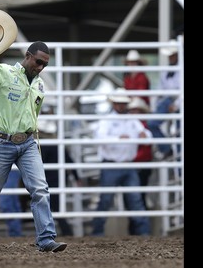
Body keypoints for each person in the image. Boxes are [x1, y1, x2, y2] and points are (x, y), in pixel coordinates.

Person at [0, 41, 67, 253]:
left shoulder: (39, 85)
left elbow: (33, 115)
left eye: (45, 64)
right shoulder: (4, 73)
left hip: (27, 142)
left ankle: (46, 239)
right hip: (1, 142)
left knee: (40, 189)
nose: (41, 67)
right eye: (38, 62)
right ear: (27, 56)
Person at [91, 88, 151, 236]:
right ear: (114, 104)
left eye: (123, 103)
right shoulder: (107, 120)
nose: (121, 106)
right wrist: (119, 139)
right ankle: (98, 233)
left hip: (127, 165)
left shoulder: (132, 120)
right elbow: (99, 138)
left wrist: (144, 134)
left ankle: (144, 233)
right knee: (106, 200)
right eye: (119, 103)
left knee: (135, 200)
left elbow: (147, 135)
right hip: (112, 164)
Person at [38, 106, 82, 236]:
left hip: (47, 178)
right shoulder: (57, 142)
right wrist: (76, 176)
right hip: (57, 178)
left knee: (47, 205)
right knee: (55, 206)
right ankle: (64, 232)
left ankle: (54, 232)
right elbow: (68, 160)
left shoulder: (41, 144)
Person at [147, 40, 180, 160]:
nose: (171, 57)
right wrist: (154, 106)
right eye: (170, 55)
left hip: (179, 101)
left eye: (173, 55)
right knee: (151, 123)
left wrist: (177, 104)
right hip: (168, 100)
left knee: (180, 133)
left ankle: (180, 168)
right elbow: (161, 90)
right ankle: (166, 148)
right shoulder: (165, 70)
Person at [127, 97, 153, 210]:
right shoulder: (131, 125)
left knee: (139, 194)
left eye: (136, 110)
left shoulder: (145, 126)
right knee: (133, 195)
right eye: (132, 110)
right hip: (133, 164)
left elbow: (147, 145)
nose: (134, 113)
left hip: (142, 164)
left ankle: (139, 222)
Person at [0, 168, 23, 237]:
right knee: (11, 200)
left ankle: (15, 234)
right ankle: (15, 234)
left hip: (8, 164)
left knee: (7, 200)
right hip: (4, 165)